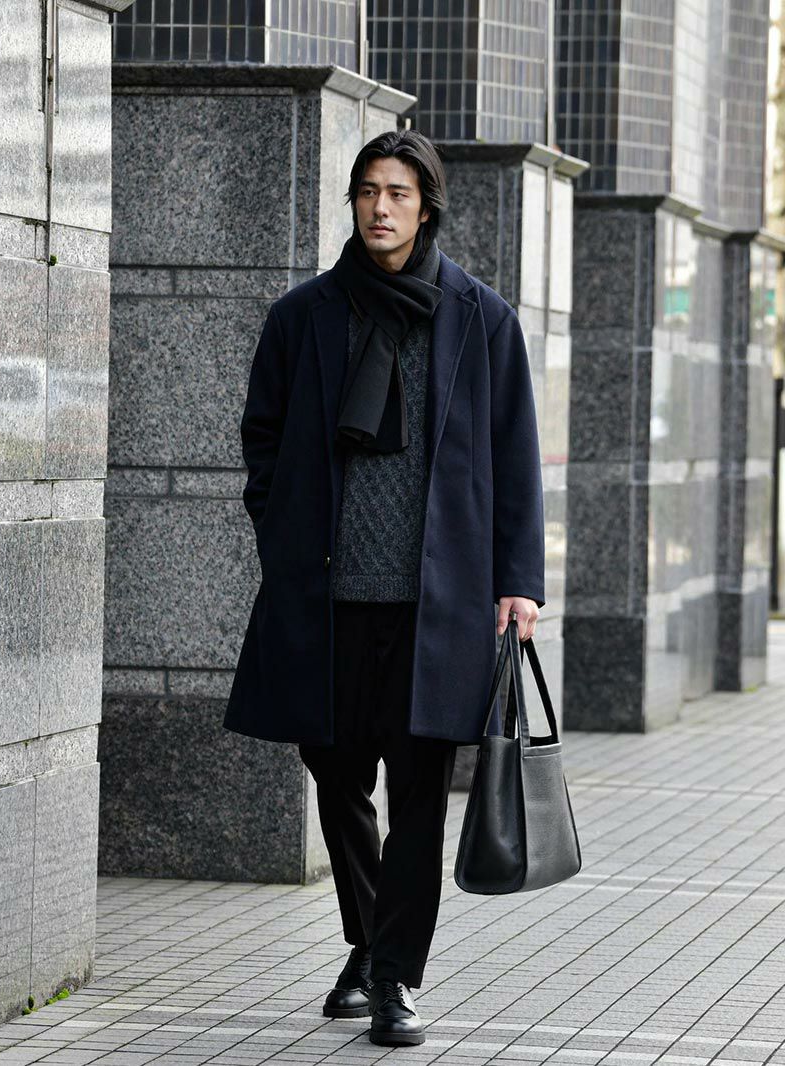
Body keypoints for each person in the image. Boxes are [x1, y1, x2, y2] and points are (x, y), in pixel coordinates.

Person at [223, 129, 545, 1046]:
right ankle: (369, 942)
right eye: (368, 190)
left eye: (398, 192)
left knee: (418, 796)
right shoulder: (306, 316)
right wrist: (281, 532)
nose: (380, 207)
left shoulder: (481, 319)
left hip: (436, 604)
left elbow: (514, 455)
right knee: (335, 778)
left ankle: (394, 976)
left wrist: (518, 582)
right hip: (326, 599)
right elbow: (262, 437)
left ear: (426, 206)